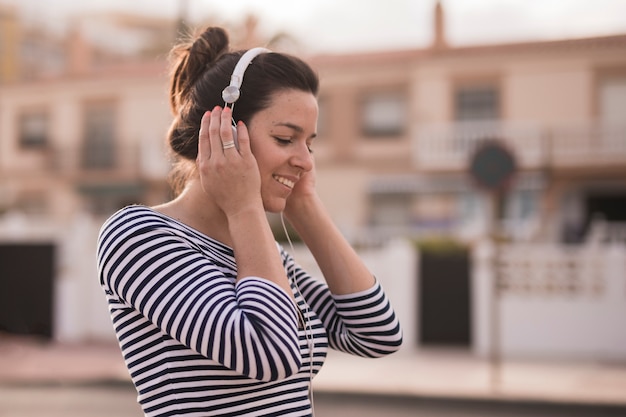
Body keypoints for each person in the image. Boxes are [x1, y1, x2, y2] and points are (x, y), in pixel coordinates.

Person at [97, 26, 402, 417]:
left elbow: (377, 335)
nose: (307, 160)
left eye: (309, 143)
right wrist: (244, 207)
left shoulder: (261, 255)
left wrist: (304, 204)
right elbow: (270, 353)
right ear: (224, 132)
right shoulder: (138, 237)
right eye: (285, 138)